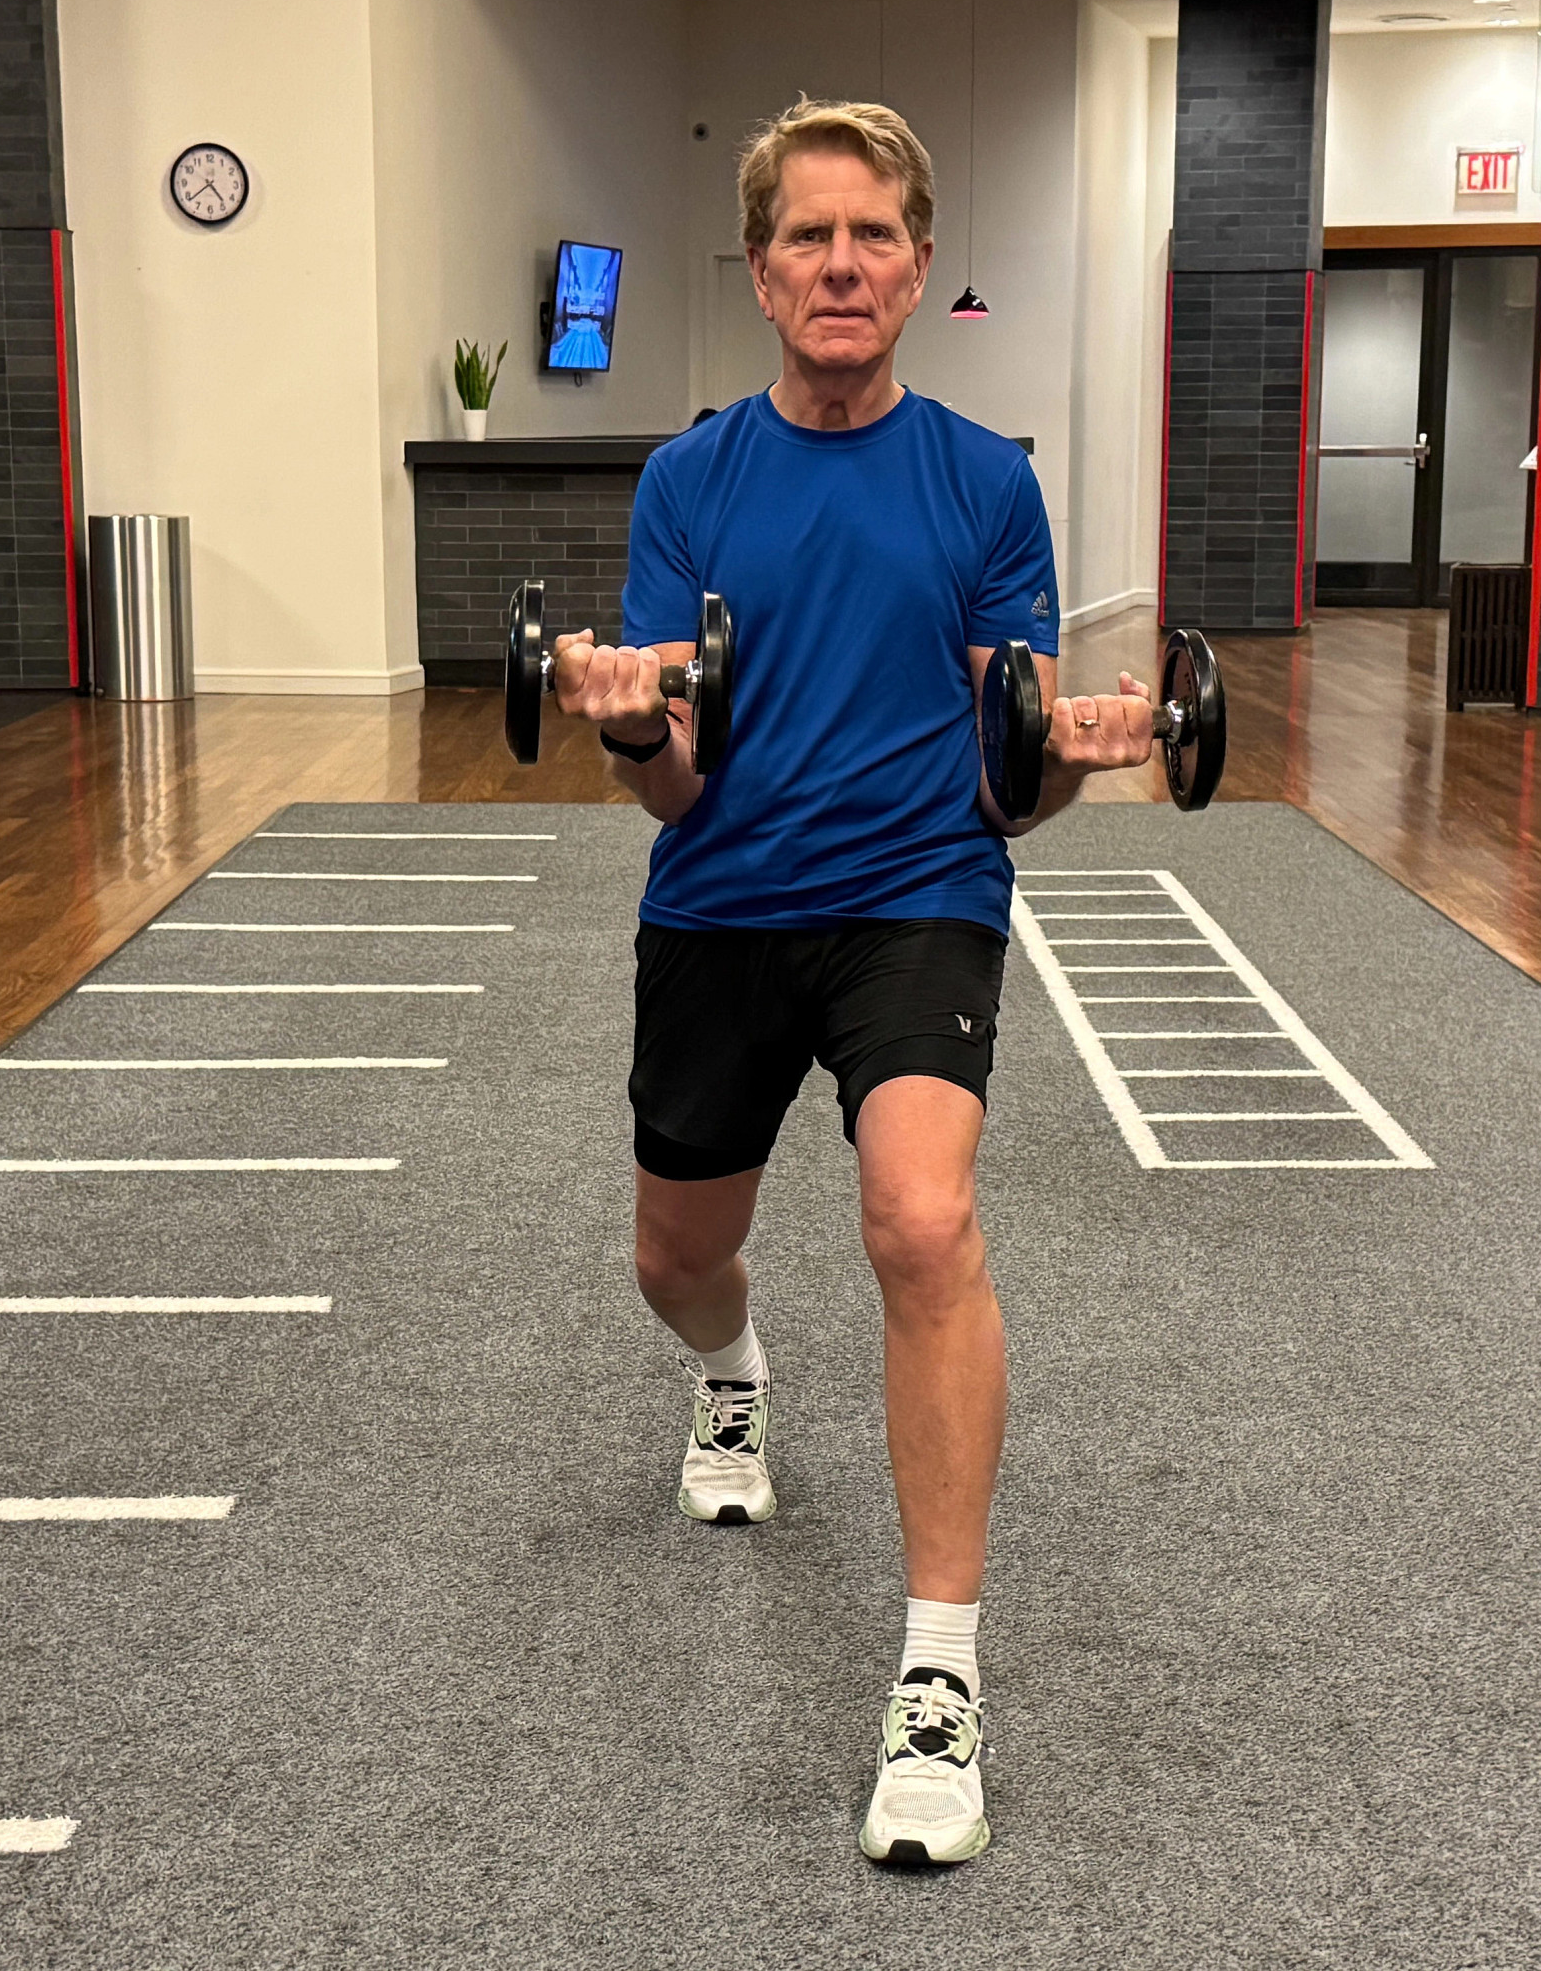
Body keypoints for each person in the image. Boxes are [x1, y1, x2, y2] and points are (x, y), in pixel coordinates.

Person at [547, 97, 1155, 1866]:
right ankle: (734, 1372)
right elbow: (673, 771)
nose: (840, 264)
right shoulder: (692, 479)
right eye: (807, 236)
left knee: (920, 1220)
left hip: (918, 893)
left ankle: (940, 1680)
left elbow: (1006, 781)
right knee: (674, 1254)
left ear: (918, 262)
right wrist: (622, 728)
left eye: (872, 235)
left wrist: (1078, 751)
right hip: (723, 900)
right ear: (759, 270)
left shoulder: (985, 481)